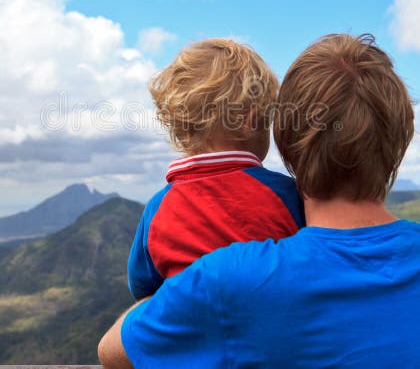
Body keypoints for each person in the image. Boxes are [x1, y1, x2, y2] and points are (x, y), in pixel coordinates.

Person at [99, 33, 420, 368]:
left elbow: (112, 351)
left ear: (289, 143)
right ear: (400, 140)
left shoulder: (226, 282)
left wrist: (181, 297)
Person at [128, 38, 304, 300]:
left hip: (187, 335)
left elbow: (143, 289)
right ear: (252, 121)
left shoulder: (158, 208)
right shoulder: (286, 193)